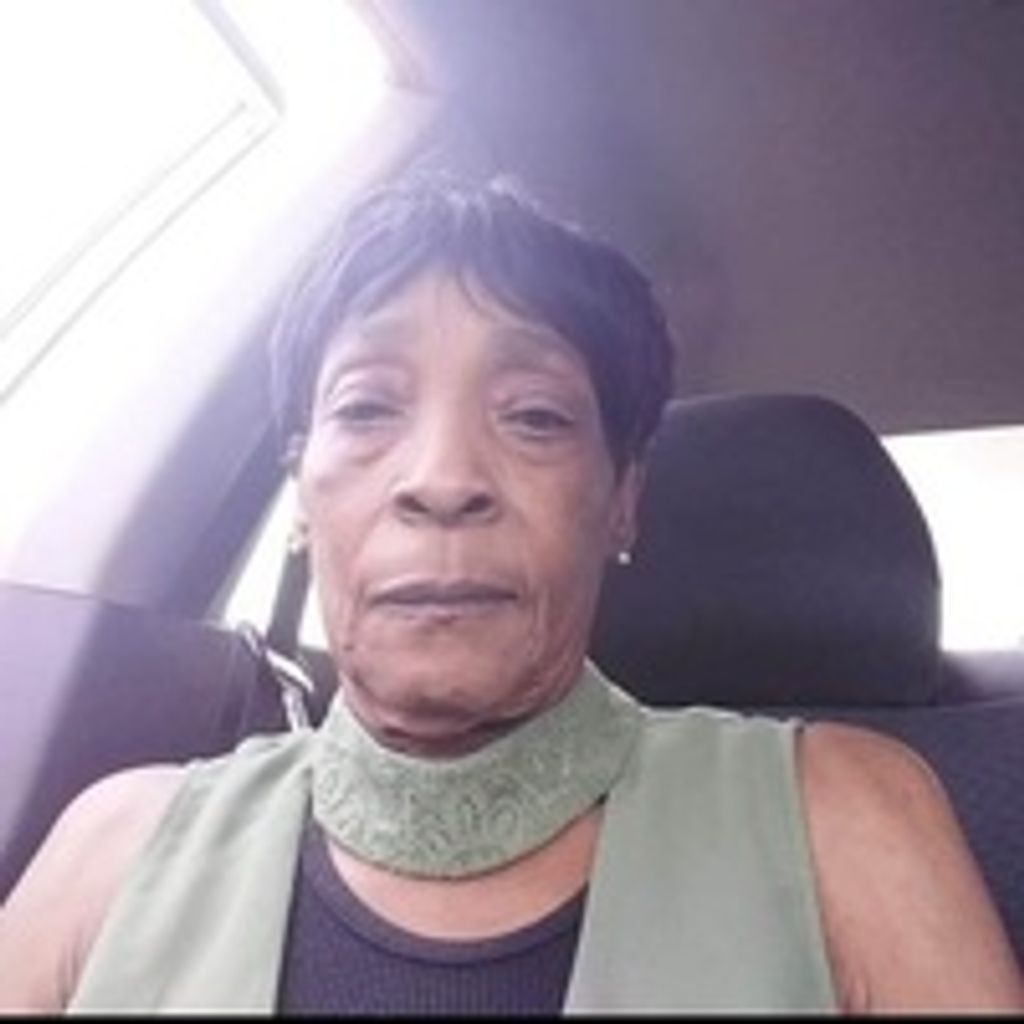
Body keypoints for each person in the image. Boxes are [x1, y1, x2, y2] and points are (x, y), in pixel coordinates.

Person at [1, 177, 1021, 1014]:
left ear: (622, 501)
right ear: (302, 497)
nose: (443, 478)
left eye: (534, 417)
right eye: (367, 407)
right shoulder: (116, 848)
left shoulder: (844, 818)